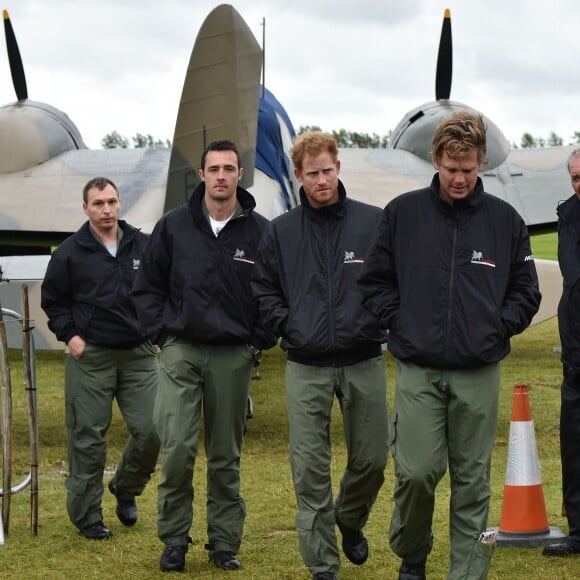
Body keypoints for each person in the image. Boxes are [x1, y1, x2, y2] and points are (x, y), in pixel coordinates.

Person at [358, 112, 541, 580]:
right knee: (417, 473)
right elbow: (374, 281)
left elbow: (526, 290)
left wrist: (497, 328)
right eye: (451, 167)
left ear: (482, 164)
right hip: (418, 367)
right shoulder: (402, 214)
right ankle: (412, 552)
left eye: (469, 168)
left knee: (472, 483)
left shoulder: (505, 221)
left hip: (478, 369)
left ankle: (466, 573)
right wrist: (401, 323)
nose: (459, 178)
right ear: (435, 159)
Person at [131, 140, 274, 573]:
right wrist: (160, 336)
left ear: (240, 174)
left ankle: (224, 542)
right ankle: (174, 540)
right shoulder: (173, 226)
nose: (221, 176)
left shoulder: (260, 231)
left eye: (229, 168)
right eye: (214, 168)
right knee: (176, 449)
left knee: (225, 453)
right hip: (181, 349)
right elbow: (147, 287)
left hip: (233, 354)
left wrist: (257, 341)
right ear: (201, 173)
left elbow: (273, 294)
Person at [252, 131, 388, 580]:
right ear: (298, 176)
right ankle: (322, 565)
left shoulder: (373, 223)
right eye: (313, 174)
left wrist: (378, 320)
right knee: (309, 467)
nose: (322, 180)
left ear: (338, 166)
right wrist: (288, 326)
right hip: (305, 364)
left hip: (363, 356)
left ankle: (349, 517)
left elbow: (392, 281)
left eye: (328, 170)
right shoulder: (280, 232)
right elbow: (264, 290)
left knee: (372, 458)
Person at [41, 177, 160, 540]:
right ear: (85, 208)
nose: (106, 210)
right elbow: (53, 300)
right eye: (98, 204)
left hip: (139, 355)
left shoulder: (143, 245)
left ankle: (125, 487)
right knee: (88, 435)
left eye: (111, 202)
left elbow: (162, 289)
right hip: (90, 355)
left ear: (120, 203)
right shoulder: (69, 253)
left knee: (155, 428)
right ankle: (87, 515)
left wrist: (157, 330)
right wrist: (71, 336)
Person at [543, 149, 580, 557]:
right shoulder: (567, 214)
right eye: (575, 177)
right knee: (574, 445)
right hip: (576, 353)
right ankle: (579, 531)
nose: (579, 185)